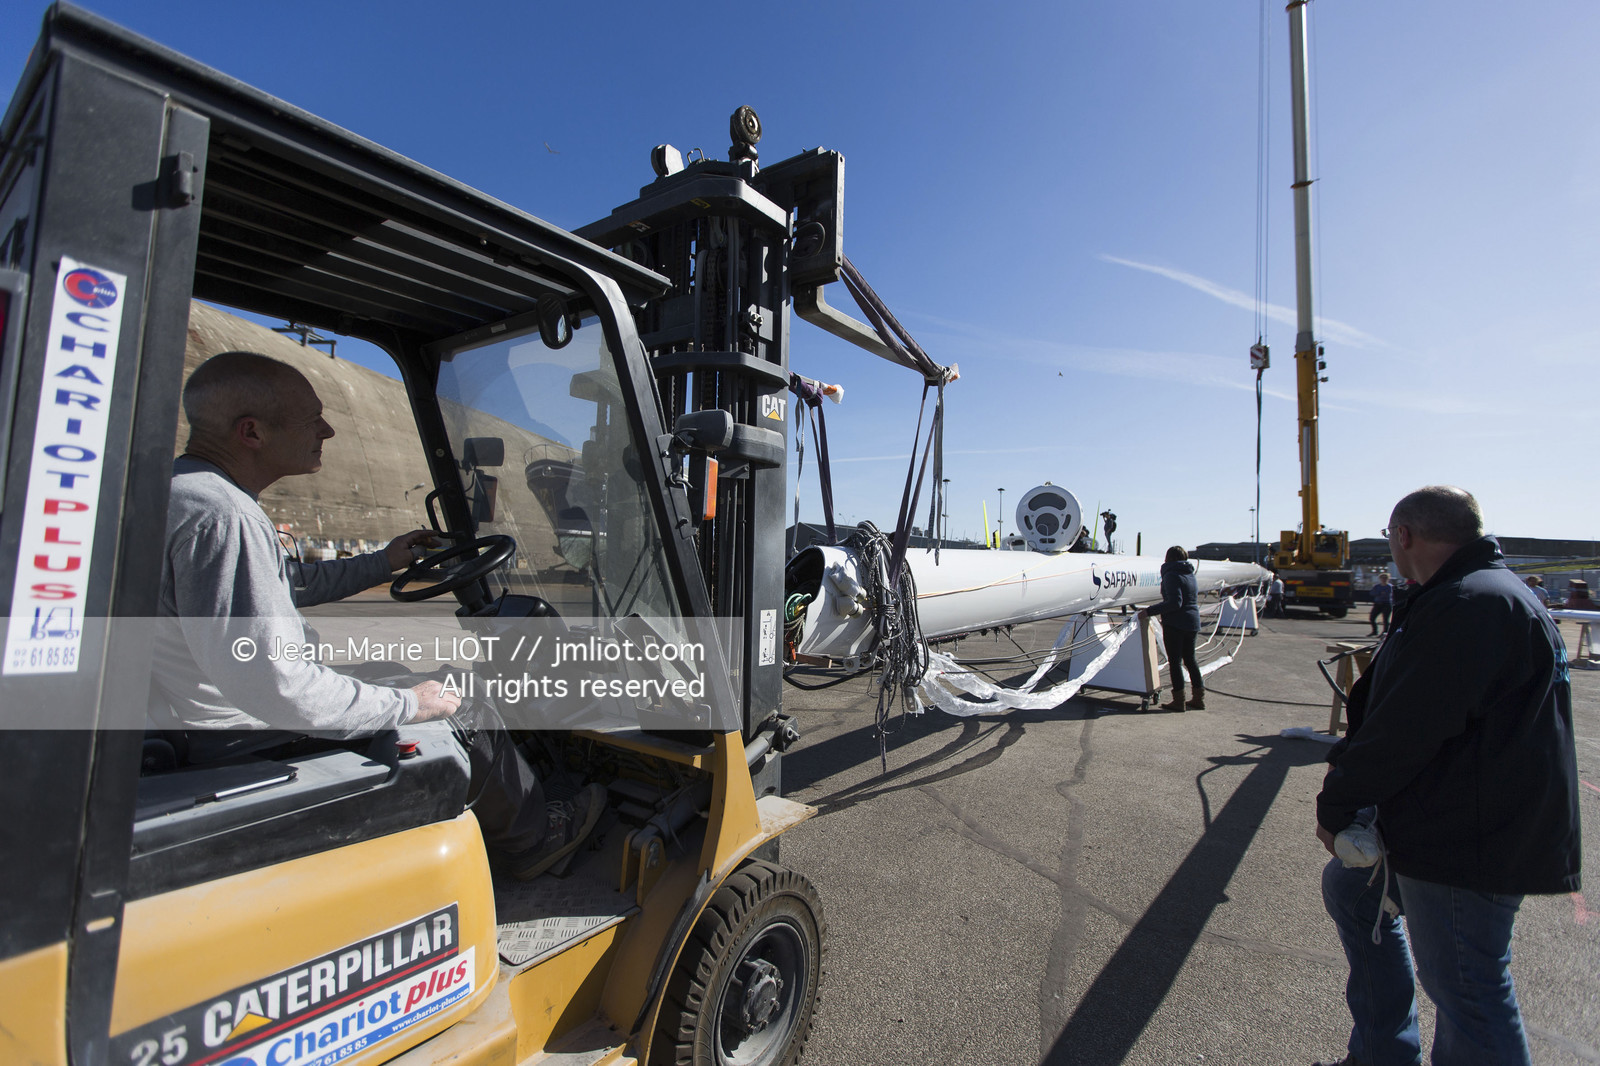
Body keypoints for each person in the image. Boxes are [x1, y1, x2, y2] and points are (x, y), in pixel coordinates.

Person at [152, 351, 605, 879]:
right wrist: (409, 702)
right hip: (240, 729)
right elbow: (278, 686)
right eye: (311, 420)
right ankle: (534, 839)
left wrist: (386, 562)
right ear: (251, 432)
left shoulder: (183, 491)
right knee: (463, 703)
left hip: (205, 719)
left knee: (415, 685)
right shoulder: (224, 515)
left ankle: (504, 803)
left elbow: (286, 586)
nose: (327, 430)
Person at [1313, 486, 1580, 1066]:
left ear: (1404, 535)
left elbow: (1406, 728)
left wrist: (1337, 807)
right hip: (1454, 815)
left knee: (1469, 988)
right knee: (1352, 891)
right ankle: (1384, 1054)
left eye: (1388, 537)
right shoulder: (1474, 596)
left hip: (1469, 836)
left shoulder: (1468, 605)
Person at [1140, 545, 1203, 710]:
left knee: (1175, 662)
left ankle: (1179, 700)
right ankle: (1198, 698)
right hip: (1192, 622)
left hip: (1176, 624)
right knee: (1190, 660)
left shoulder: (1171, 575)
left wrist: (1148, 611)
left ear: (1168, 558)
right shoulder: (1190, 574)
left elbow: (1175, 603)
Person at [1367, 572, 1394, 636]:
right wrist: (1380, 593)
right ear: (1380, 579)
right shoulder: (1377, 586)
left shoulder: (1390, 587)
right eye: (1382, 578)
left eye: (1385, 578)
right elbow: (1372, 593)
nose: (1384, 579)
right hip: (1378, 604)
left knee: (1385, 619)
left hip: (1386, 604)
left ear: (1388, 579)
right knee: (1372, 618)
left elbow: (1388, 595)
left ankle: (1385, 632)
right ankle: (1374, 631)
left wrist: (1381, 594)